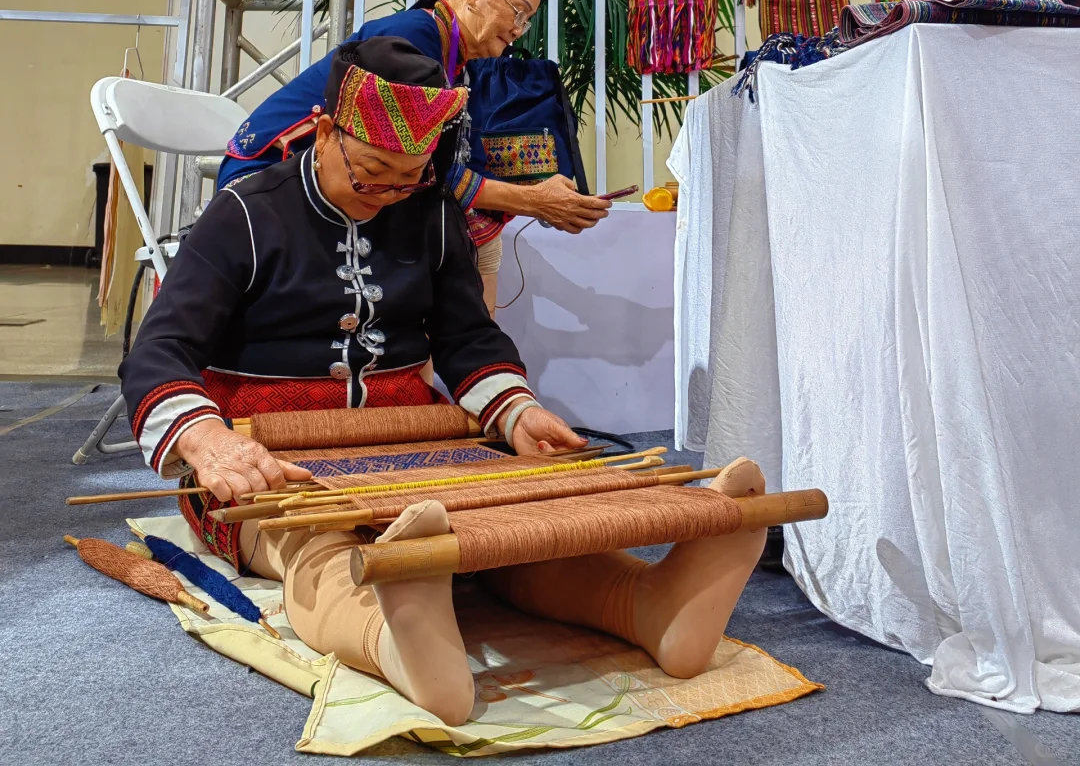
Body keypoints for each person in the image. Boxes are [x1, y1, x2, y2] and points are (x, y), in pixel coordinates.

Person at [120, 38, 768, 726]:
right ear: (326, 130)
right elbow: (158, 350)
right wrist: (208, 443)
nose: (386, 196)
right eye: (370, 173)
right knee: (314, 546)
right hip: (271, 454)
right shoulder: (246, 213)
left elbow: (466, 336)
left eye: (407, 178)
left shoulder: (430, 212)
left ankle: (652, 605)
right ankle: (396, 641)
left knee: (511, 528)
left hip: (413, 440)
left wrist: (516, 411)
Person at [219, 0, 610, 311]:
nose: (518, 30)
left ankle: (472, 358)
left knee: (475, 231)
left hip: (341, 177)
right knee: (445, 227)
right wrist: (532, 201)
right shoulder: (414, 40)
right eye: (518, 12)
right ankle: (443, 361)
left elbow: (435, 164)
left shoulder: (451, 54)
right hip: (276, 175)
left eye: (527, 21)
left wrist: (533, 195)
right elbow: (421, 169)